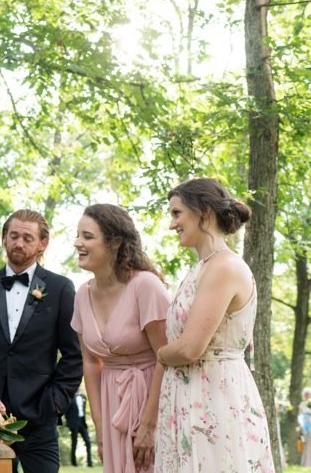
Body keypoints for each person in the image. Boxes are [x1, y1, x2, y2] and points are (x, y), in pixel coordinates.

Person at [154, 178, 274, 471]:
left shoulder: (223, 267)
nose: (172, 225)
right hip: (192, 393)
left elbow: (189, 349)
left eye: (177, 213)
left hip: (215, 398)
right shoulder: (203, 267)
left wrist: (160, 355)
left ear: (204, 212)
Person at [0, 209, 82, 473]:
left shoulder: (60, 289)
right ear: (4, 238)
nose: (19, 243)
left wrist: (56, 402)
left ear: (42, 243)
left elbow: (73, 354)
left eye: (27, 238)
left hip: (39, 416)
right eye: (13, 236)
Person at [70, 204, 169, 472]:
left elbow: (167, 358)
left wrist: (149, 424)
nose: (78, 243)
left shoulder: (146, 286)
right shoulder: (81, 295)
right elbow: (91, 364)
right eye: (78, 235)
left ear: (114, 243)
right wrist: (100, 426)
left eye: (88, 237)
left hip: (153, 398)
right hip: (112, 402)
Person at [65, 390, 93, 467]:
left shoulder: (83, 397)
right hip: (74, 424)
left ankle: (89, 462)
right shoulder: (70, 398)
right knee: (74, 443)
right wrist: (69, 423)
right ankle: (74, 463)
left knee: (88, 442)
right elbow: (66, 411)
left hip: (82, 423)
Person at [298, 388, 311, 466]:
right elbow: (300, 416)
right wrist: (300, 427)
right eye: (306, 394)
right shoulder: (302, 405)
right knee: (306, 444)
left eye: (309, 394)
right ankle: (306, 463)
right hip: (305, 426)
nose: (308, 396)